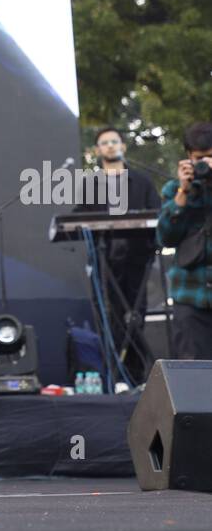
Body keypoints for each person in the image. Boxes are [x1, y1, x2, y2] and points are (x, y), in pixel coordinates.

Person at [87, 127, 160, 381]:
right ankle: (113, 378)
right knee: (110, 318)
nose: (109, 146)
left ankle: (138, 377)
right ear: (98, 151)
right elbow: (78, 218)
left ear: (123, 147)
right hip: (105, 262)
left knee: (135, 317)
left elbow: (158, 216)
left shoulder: (142, 182)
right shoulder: (91, 183)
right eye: (104, 143)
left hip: (136, 261)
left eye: (114, 141)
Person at [156, 122, 212, 359]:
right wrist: (183, 192)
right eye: (201, 158)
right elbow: (165, 238)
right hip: (191, 296)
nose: (207, 164)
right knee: (195, 376)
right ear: (189, 158)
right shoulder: (174, 190)